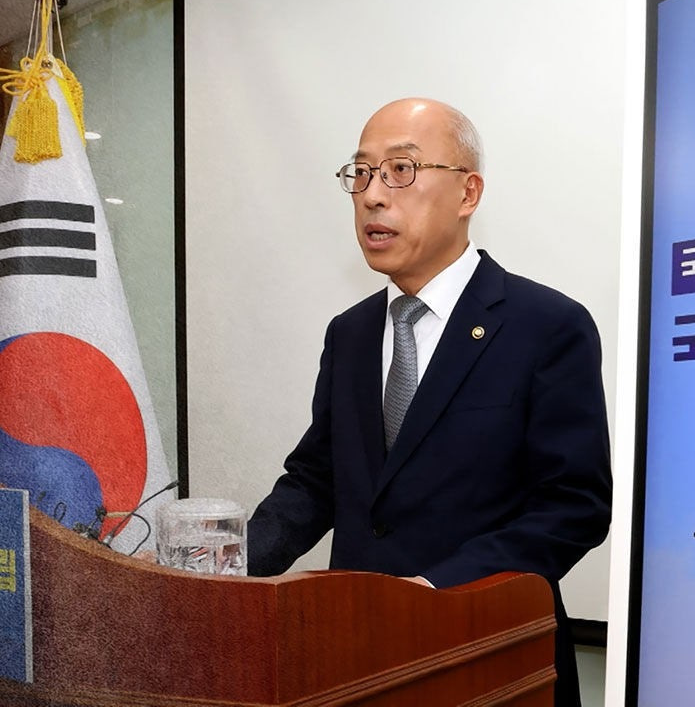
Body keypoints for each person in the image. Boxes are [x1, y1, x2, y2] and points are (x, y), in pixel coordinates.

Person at [246, 97, 612, 707]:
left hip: (490, 658)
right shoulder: (350, 332)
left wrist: (436, 589)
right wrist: (229, 566)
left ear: (468, 193)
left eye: (401, 170)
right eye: (361, 173)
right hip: (356, 655)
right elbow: (317, 480)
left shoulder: (547, 326)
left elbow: (574, 506)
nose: (372, 196)